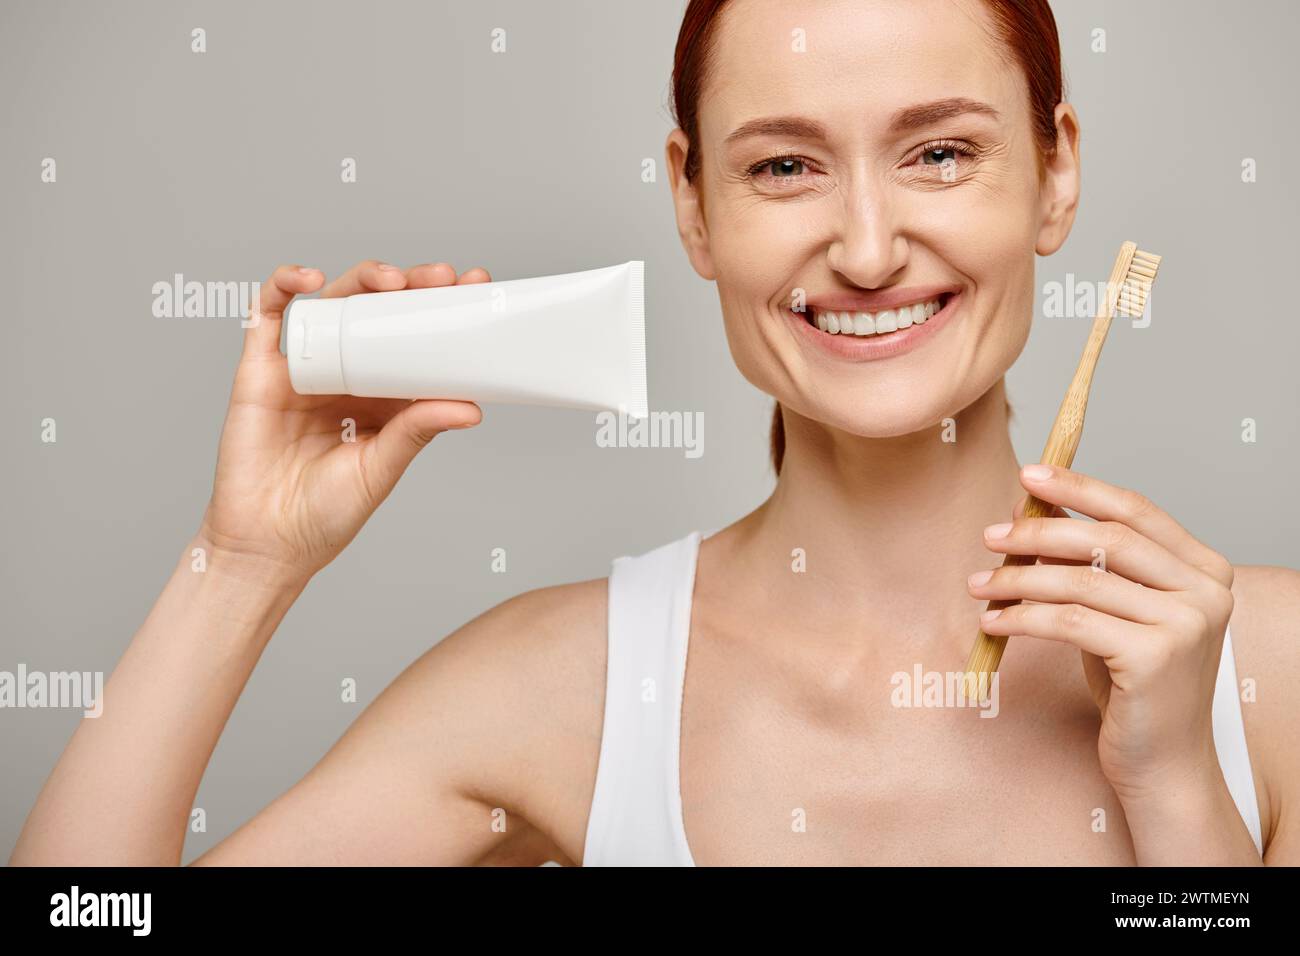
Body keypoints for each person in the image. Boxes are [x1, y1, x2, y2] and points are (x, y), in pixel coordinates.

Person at [12, 0, 1299, 866]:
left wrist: (1177, 790)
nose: (861, 248)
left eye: (941, 154)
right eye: (783, 168)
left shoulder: (1272, 674)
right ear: (692, 206)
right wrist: (239, 565)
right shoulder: (558, 684)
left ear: (1054, 171)